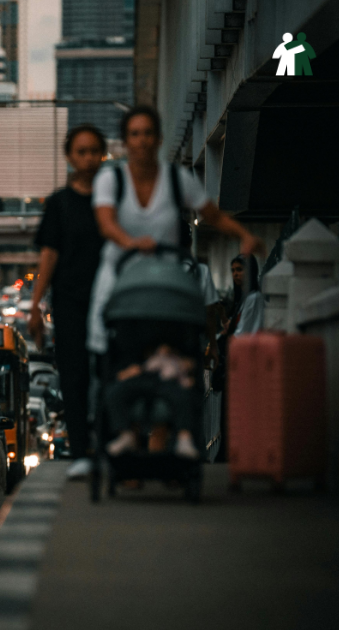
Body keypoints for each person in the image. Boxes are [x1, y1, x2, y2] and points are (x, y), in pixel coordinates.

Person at [88, 105, 265, 459]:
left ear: (157, 139)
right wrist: (130, 243)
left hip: (165, 283)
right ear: (126, 141)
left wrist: (243, 234)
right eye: (134, 134)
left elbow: (211, 214)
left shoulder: (175, 179)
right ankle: (127, 437)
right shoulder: (111, 180)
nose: (141, 141)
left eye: (147, 133)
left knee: (173, 361)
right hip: (121, 280)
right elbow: (106, 223)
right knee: (117, 357)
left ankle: (166, 441)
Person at [29, 123, 107, 480]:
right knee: (73, 378)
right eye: (81, 151)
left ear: (103, 155)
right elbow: (49, 255)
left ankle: (109, 445)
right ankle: (80, 452)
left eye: (94, 151)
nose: (88, 158)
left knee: (108, 373)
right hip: (69, 303)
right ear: (70, 157)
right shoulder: (59, 203)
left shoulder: (113, 199)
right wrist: (35, 306)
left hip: (109, 301)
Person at [228, 254, 265, 336]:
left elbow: (241, 332)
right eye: (233, 270)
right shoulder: (243, 297)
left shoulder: (254, 297)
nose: (235, 274)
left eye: (239, 269)